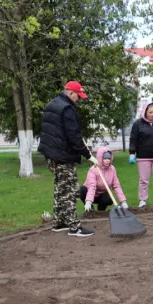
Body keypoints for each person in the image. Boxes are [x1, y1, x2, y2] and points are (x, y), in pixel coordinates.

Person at [38, 81, 95, 237]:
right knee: (69, 189)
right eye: (78, 96)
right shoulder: (67, 108)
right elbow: (74, 136)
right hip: (62, 154)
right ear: (71, 93)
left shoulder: (52, 104)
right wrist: (88, 155)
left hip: (51, 154)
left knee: (59, 187)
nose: (79, 100)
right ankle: (74, 227)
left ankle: (60, 222)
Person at [80, 147, 128, 212]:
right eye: (105, 158)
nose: (107, 160)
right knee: (81, 190)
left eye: (109, 158)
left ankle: (101, 212)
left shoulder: (112, 169)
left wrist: (123, 202)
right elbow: (92, 186)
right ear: (100, 158)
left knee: (107, 199)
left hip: (102, 195)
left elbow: (116, 186)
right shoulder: (93, 169)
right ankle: (90, 209)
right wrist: (88, 201)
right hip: (90, 193)